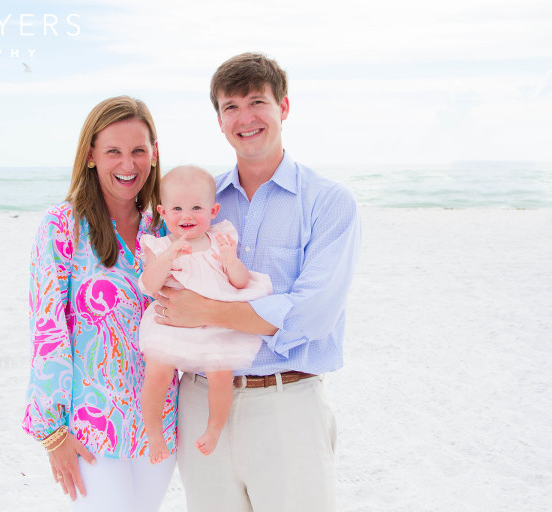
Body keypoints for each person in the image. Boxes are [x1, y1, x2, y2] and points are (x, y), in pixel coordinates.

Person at [155, 53, 362, 511]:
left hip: (287, 404)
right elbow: (159, 282)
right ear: (219, 120)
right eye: (231, 106)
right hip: (201, 400)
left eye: (257, 102)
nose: (245, 118)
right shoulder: (197, 200)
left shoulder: (328, 202)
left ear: (283, 107)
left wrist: (206, 311)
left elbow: (311, 315)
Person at [22, 96, 178, 512]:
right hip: (90, 427)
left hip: (157, 422)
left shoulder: (163, 227)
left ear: (154, 153)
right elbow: (47, 330)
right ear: (91, 155)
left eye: (138, 151)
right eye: (114, 151)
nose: (128, 165)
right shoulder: (62, 227)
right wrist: (51, 432)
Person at [137, 165, 272, 464]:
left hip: (214, 323)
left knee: (220, 376)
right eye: (177, 208)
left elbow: (240, 282)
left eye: (197, 207)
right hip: (172, 324)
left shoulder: (220, 240)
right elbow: (148, 285)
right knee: (157, 373)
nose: (187, 215)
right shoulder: (158, 246)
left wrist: (230, 259)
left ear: (213, 210)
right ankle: (154, 431)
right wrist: (168, 257)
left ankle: (213, 429)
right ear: (162, 211)